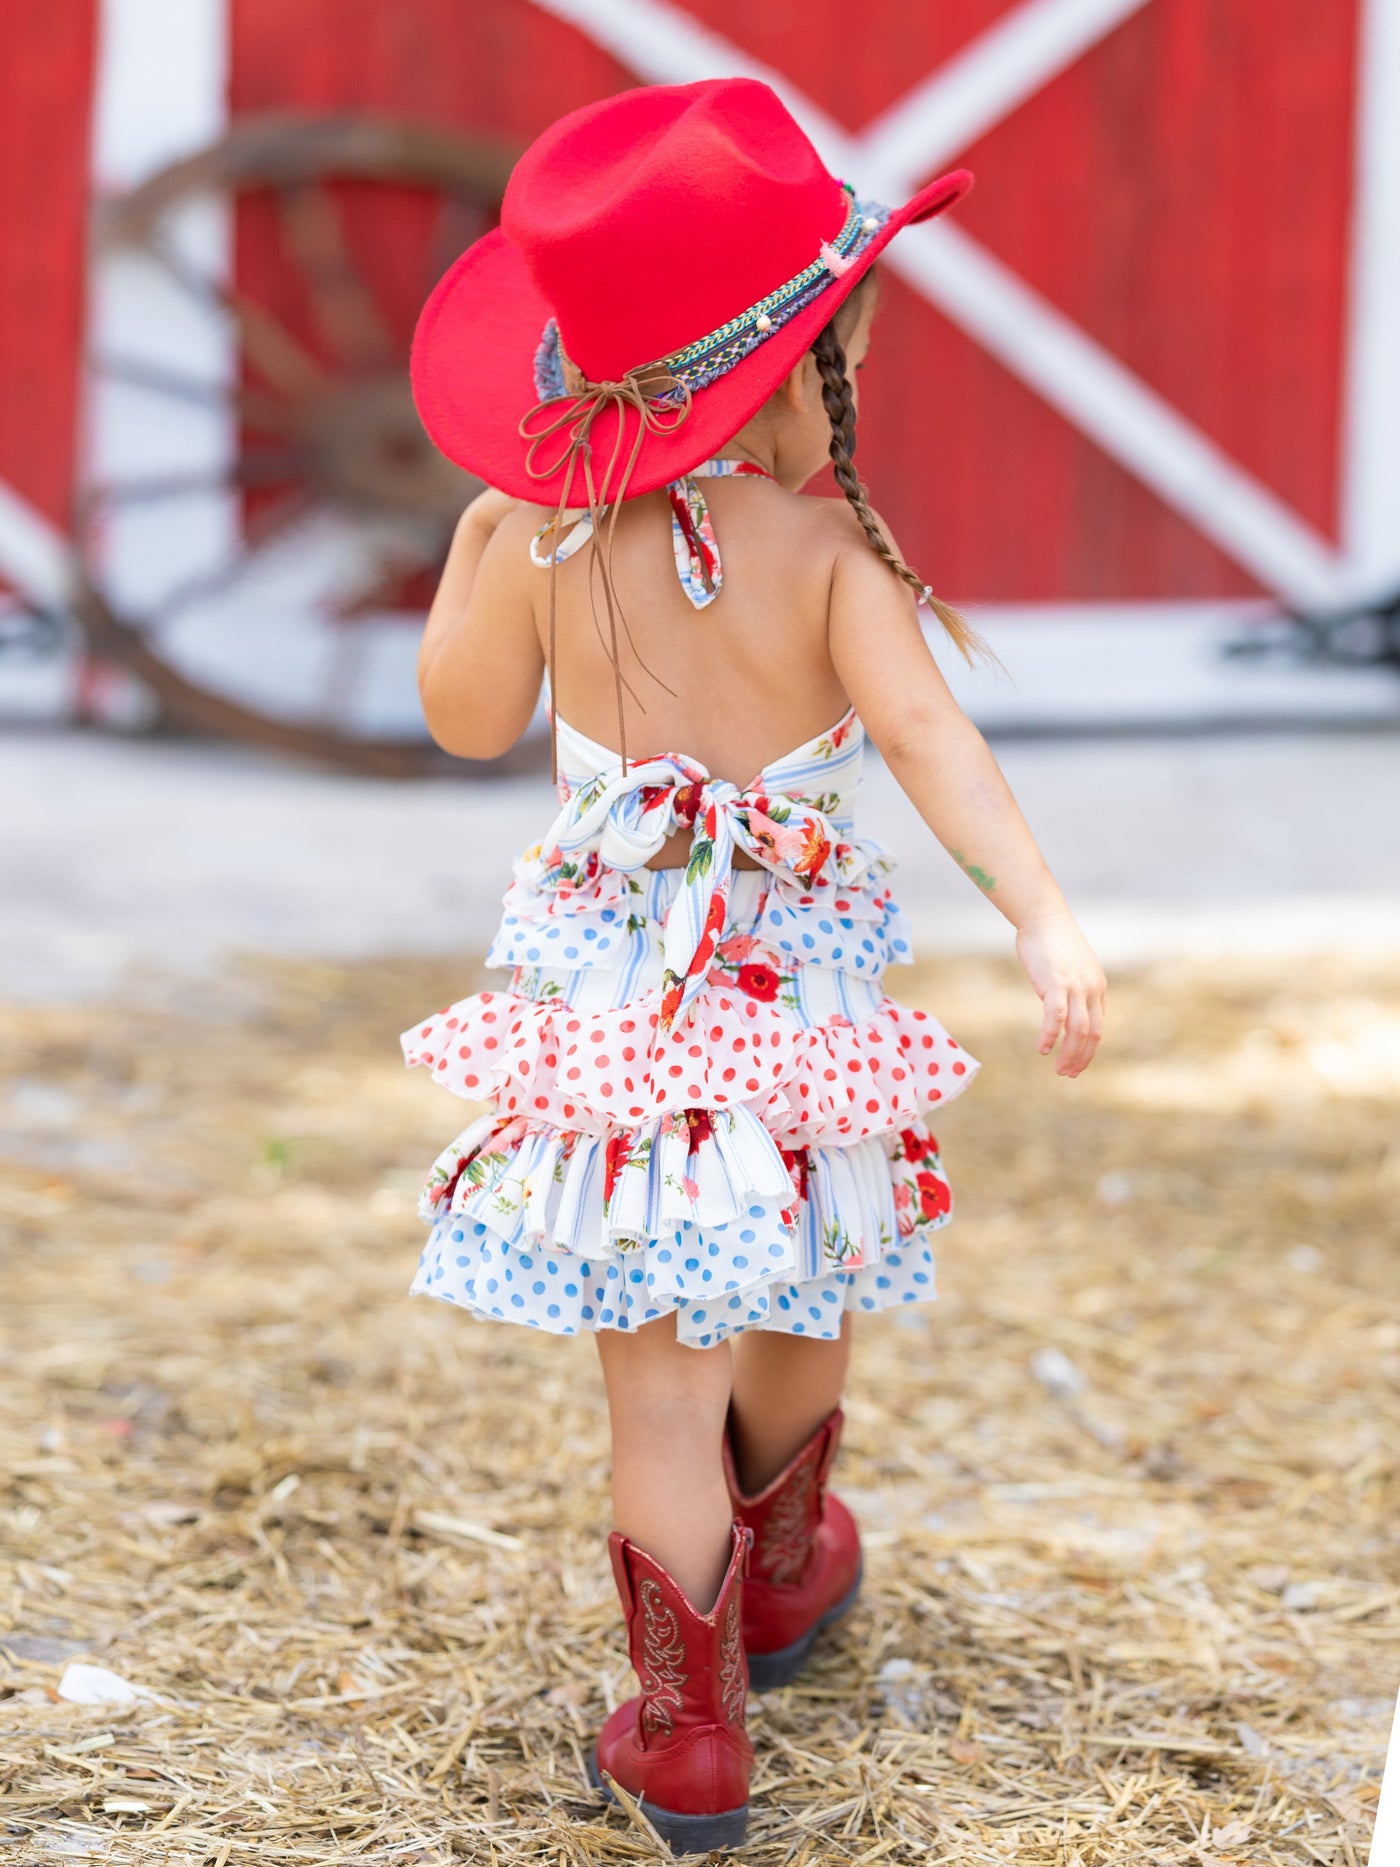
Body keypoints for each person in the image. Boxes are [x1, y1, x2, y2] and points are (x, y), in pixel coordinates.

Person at [403, 77, 1106, 1854]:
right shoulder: (823, 552)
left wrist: (486, 538)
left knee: (658, 1383)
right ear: (805, 359)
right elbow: (941, 750)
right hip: (796, 1018)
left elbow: (468, 719)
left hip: (621, 1037)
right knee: (802, 1281)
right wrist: (1039, 914)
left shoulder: (538, 543)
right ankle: (787, 1576)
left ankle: (685, 1735)